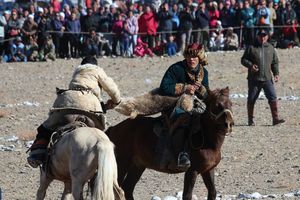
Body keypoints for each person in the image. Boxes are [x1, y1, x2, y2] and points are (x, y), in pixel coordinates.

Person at [27, 56, 121, 168]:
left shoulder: (77, 71)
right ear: (96, 65)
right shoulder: (96, 70)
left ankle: (38, 152)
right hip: (90, 104)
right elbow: (111, 88)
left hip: (67, 101)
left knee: (47, 127)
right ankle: (104, 161)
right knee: (101, 135)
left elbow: (78, 93)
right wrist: (116, 101)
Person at [159, 43, 209, 168]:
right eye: (189, 56)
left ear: (200, 58)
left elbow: (207, 93)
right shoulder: (176, 69)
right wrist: (185, 87)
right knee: (186, 118)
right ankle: (183, 153)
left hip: (196, 103)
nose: (191, 59)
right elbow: (164, 88)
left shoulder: (204, 72)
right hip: (174, 104)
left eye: (195, 57)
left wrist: (201, 89)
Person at [241, 26, 285, 126]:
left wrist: (276, 73)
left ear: (267, 36)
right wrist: (251, 65)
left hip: (267, 78)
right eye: (260, 36)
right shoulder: (251, 47)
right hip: (254, 79)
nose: (262, 38)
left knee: (273, 97)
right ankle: (250, 120)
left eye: (264, 36)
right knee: (251, 99)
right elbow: (243, 60)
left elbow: (275, 62)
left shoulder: (270, 48)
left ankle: (275, 119)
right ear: (257, 36)